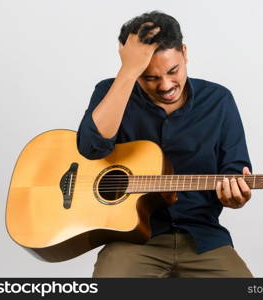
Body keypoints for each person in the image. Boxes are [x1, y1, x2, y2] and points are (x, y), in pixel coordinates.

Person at [77, 10, 254, 277]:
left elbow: (234, 170)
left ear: (184, 52)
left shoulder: (219, 100)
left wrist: (236, 196)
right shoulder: (109, 92)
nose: (166, 85)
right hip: (133, 238)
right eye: (149, 77)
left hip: (202, 238)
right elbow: (91, 149)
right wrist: (127, 72)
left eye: (174, 71)